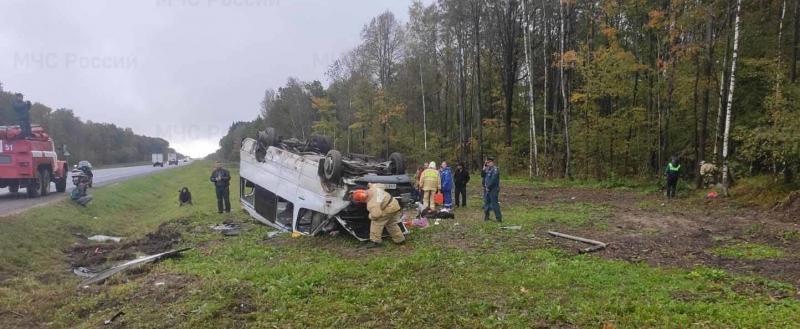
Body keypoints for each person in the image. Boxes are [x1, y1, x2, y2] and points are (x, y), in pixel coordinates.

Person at [365, 183, 406, 248]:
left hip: (388, 208)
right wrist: (370, 184)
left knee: (376, 223)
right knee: (391, 224)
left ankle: (375, 241)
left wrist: (370, 216)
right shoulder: (375, 188)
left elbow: (376, 215)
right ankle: (400, 239)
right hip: (395, 205)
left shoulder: (372, 203)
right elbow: (381, 185)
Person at [481, 156, 502, 222]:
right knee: (486, 204)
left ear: (492, 162)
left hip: (493, 189)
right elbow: (482, 175)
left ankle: (498, 218)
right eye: (487, 162)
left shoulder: (495, 169)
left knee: (494, 204)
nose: (487, 163)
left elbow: (493, 180)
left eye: (489, 162)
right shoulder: (487, 169)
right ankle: (486, 217)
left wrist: (488, 187)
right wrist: (484, 168)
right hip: (487, 189)